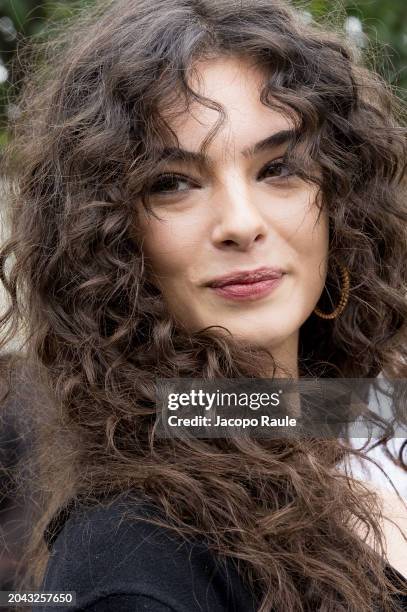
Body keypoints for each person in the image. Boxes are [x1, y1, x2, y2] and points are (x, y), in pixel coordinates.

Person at [0, 0, 406, 610]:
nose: (241, 225)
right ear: (106, 236)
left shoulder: (324, 419)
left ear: (342, 201)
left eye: (279, 168)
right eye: (173, 182)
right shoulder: (137, 560)